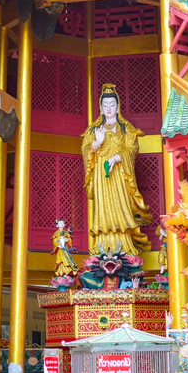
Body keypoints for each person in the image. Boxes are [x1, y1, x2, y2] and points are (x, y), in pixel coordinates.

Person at [81, 83, 153, 255]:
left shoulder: (125, 128)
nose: (108, 108)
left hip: (119, 174)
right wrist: (97, 142)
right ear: (100, 107)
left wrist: (117, 157)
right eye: (105, 105)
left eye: (112, 104)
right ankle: (101, 247)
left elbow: (133, 148)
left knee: (121, 207)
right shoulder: (94, 129)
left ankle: (124, 246)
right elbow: (85, 148)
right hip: (101, 174)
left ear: (118, 106)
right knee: (103, 209)